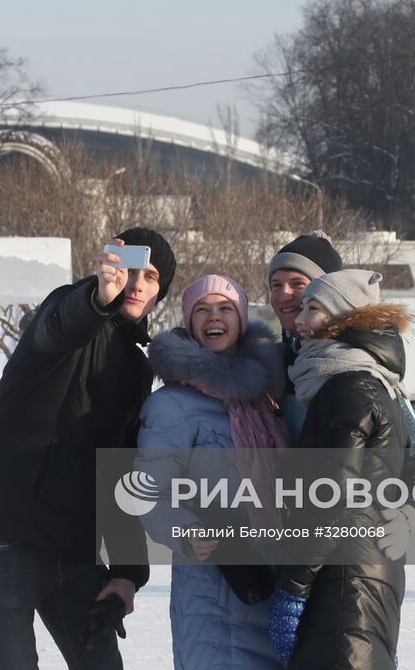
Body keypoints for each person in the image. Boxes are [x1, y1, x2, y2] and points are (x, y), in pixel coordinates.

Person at [0, 228, 177, 670]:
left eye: (151, 276)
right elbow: (62, 323)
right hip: (7, 535)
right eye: (129, 269)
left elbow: (121, 471)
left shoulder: (137, 365)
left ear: (160, 292)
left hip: (77, 552)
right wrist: (97, 298)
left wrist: (126, 574)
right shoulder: (66, 314)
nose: (137, 283)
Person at [136, 275, 287, 670]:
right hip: (214, 589)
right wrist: (187, 530)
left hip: (272, 582)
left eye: (224, 308)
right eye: (202, 309)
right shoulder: (172, 406)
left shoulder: (266, 403)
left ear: (240, 319)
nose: (213, 317)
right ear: (189, 322)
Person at [266, 232, 415, 563]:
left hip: (346, 550)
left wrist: (407, 515)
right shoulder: (270, 364)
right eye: (276, 284)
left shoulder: (360, 366)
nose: (284, 295)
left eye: (298, 284)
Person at [268, 270, 411, 669]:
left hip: (342, 583)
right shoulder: (372, 384)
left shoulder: (347, 387)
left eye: (313, 309)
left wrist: (292, 592)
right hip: (359, 578)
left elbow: (327, 503)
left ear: (344, 319)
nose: (299, 319)